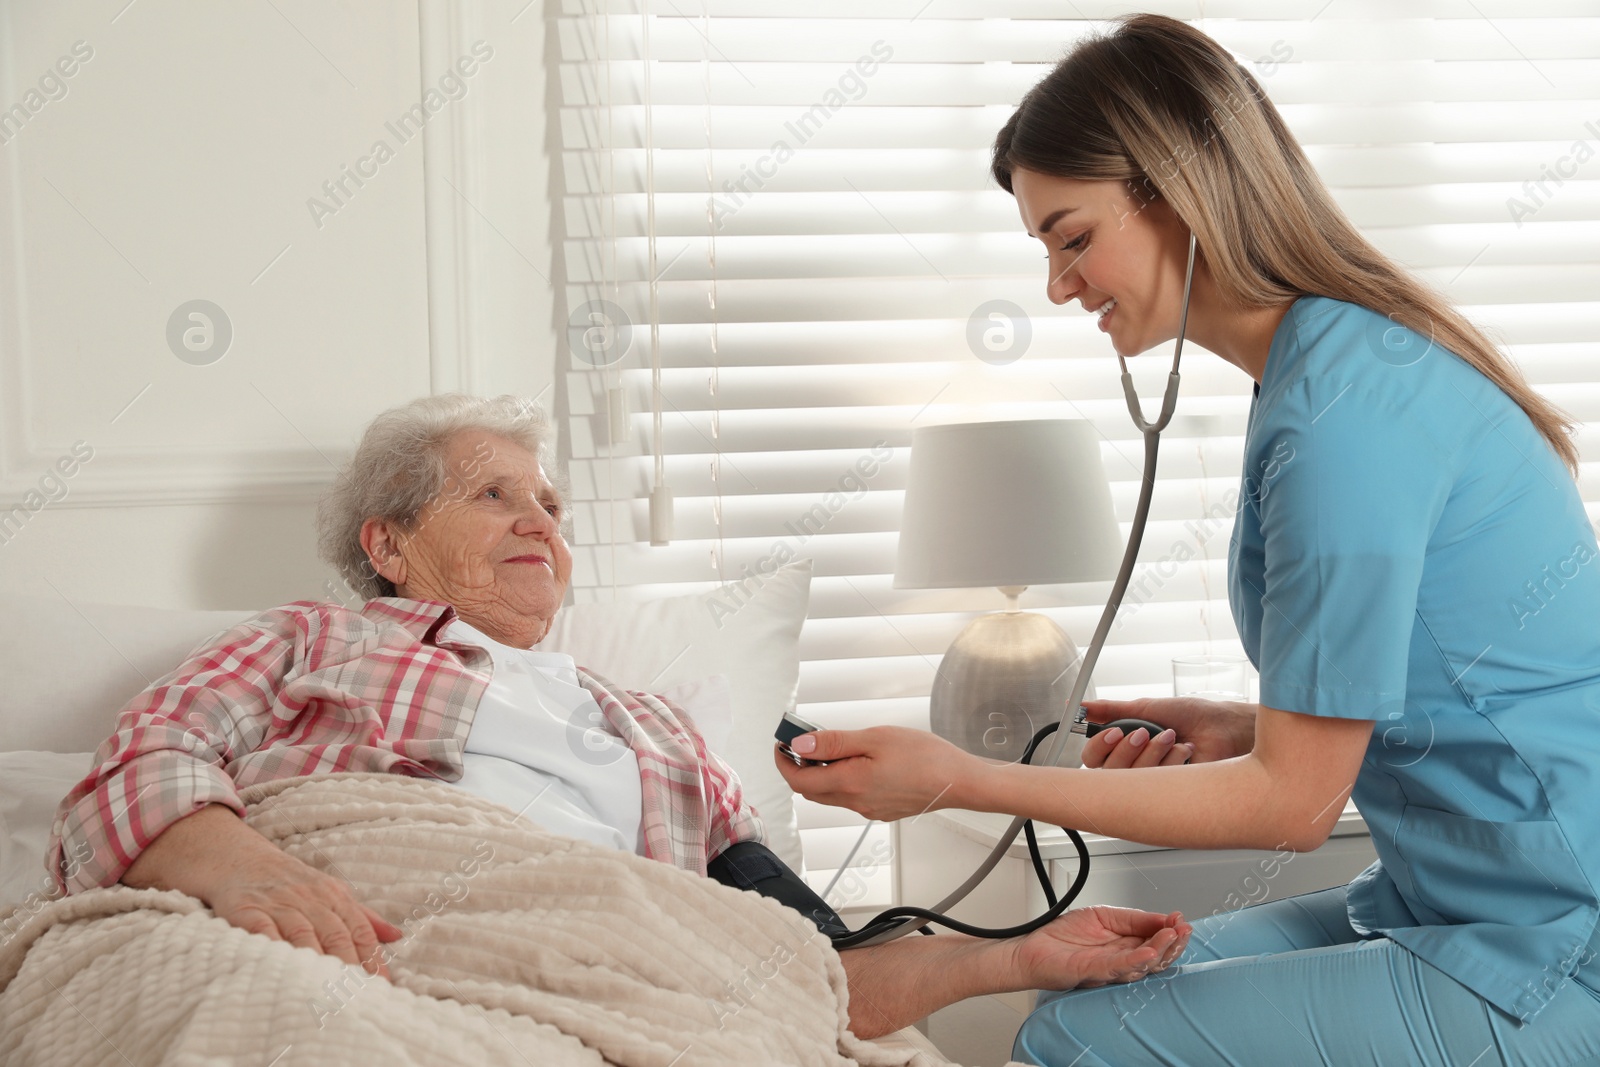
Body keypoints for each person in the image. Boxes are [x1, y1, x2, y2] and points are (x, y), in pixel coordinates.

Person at [777, 14, 1600, 1065]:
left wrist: (954, 778)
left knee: (1078, 1032)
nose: (1058, 286)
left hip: (1554, 942)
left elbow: (1294, 804)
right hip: (1452, 897)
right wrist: (1246, 721)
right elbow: (1461, 675)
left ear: (1183, 192)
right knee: (1105, 968)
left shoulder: (1342, 414)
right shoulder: (1324, 368)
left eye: (1072, 237)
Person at [47, 393, 1190, 1042]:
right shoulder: (319, 639)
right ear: (386, 547)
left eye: (549, 502)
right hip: (343, 914)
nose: (537, 518)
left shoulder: (654, 731)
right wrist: (243, 867)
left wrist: (1021, 956)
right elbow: (142, 758)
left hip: (597, 953)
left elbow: (802, 967)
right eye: (491, 493)